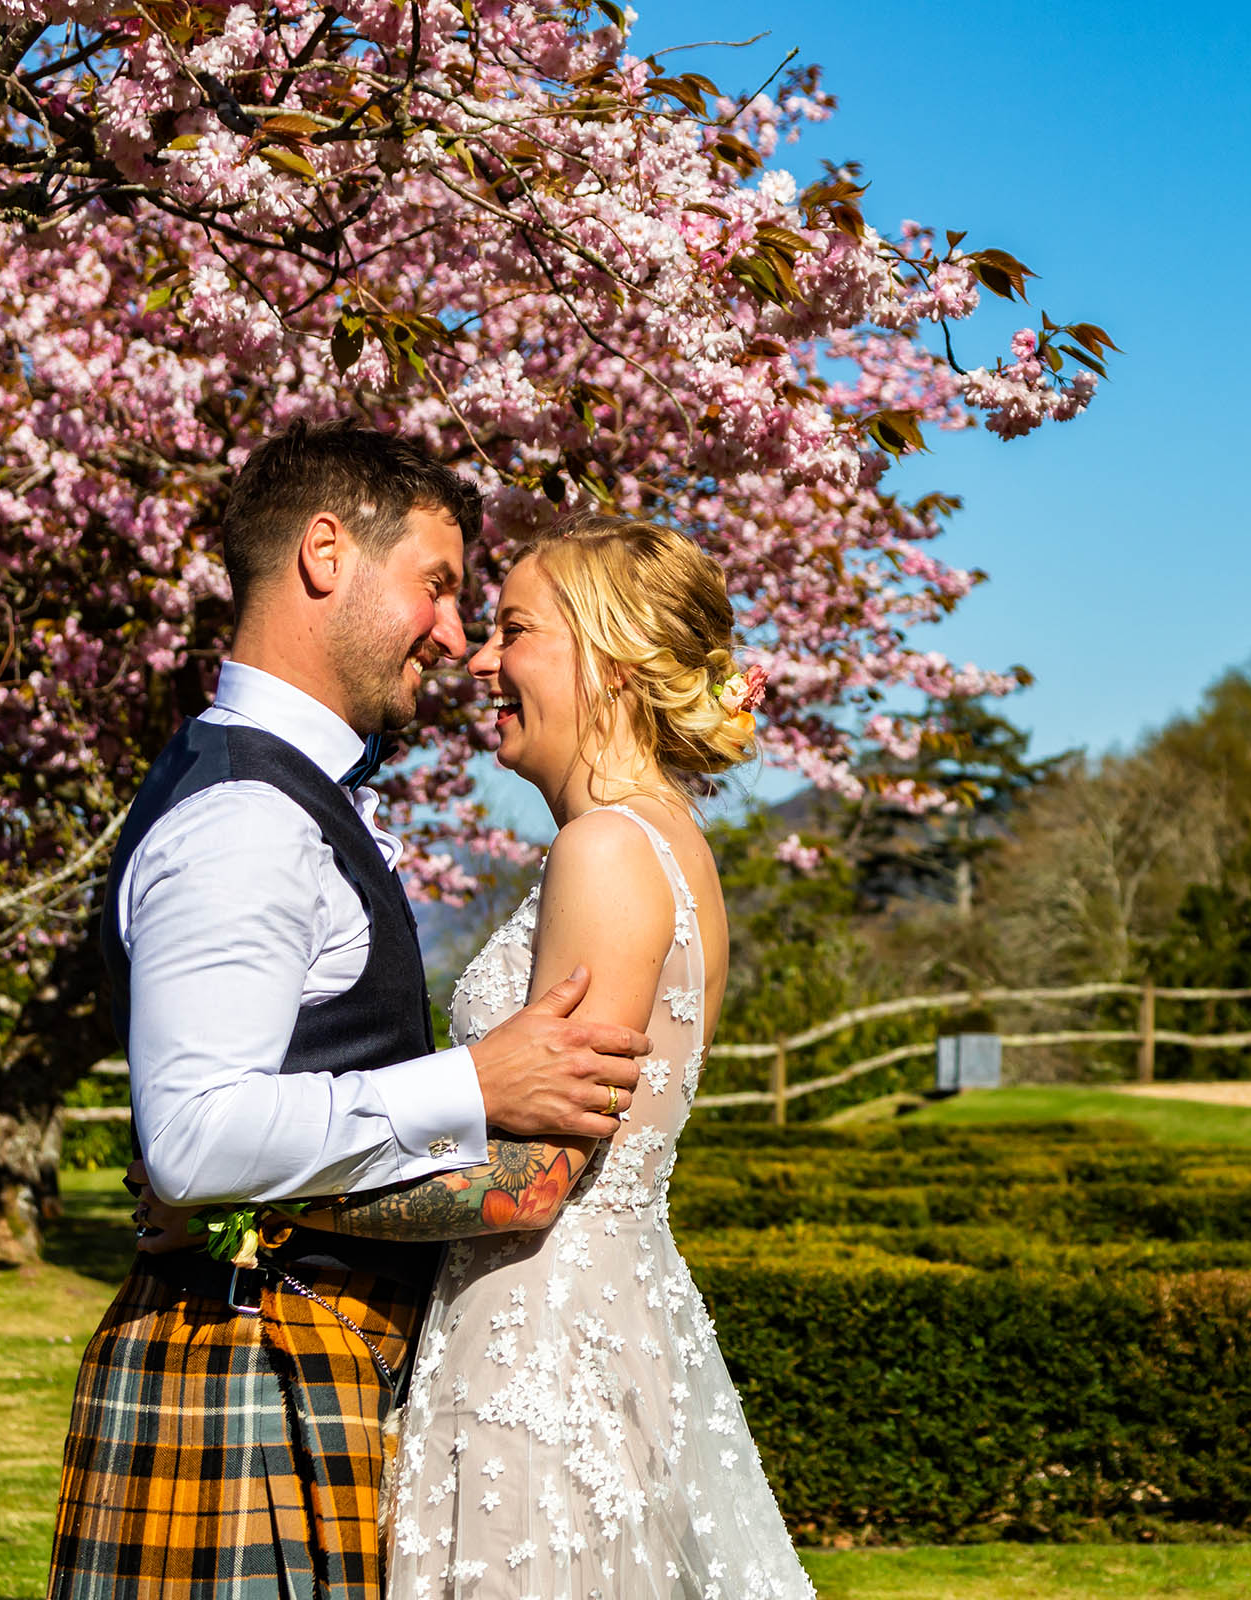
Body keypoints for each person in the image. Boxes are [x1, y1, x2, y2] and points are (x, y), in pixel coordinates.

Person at [153, 513, 814, 1598]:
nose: (481, 657)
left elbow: (530, 1183)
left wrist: (250, 1204)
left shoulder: (606, 850)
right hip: (594, 1324)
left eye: (516, 630)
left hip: (538, 1350)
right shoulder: (667, 842)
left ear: (609, 660)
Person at [48, 425, 650, 1600]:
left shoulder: (280, 791)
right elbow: (196, 1135)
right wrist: (475, 1084)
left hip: (285, 1351)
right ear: (327, 553)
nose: (456, 634)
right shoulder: (247, 817)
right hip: (245, 1368)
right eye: (436, 584)